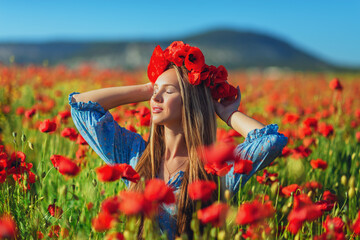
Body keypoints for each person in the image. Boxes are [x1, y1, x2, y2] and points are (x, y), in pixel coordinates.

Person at [68, 41, 288, 239]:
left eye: (169, 91)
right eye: (155, 91)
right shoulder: (135, 154)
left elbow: (271, 141)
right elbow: (81, 107)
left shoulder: (214, 170)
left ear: (190, 101)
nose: (156, 98)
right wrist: (146, 88)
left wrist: (227, 114)